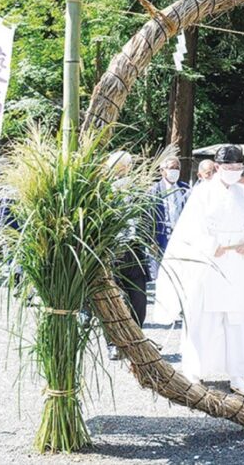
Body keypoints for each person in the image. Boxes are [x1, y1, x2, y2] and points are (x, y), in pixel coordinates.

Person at [154, 144, 244, 397]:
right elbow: (190, 230)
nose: (233, 171)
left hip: (239, 266)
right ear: (217, 167)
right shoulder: (202, 193)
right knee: (202, 320)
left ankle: (238, 374)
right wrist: (211, 245)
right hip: (209, 265)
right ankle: (195, 372)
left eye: (237, 167)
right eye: (228, 167)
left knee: (238, 322)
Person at [105, 151, 150, 361]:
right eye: (123, 165)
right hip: (113, 251)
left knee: (139, 299)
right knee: (114, 301)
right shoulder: (104, 190)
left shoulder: (138, 188)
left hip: (135, 251)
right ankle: (114, 343)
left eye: (128, 165)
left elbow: (148, 218)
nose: (126, 168)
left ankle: (136, 339)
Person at [147, 156, 190, 279]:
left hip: (181, 240)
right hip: (161, 240)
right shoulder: (154, 191)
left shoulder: (184, 189)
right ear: (162, 171)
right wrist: (151, 240)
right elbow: (148, 217)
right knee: (162, 276)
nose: (175, 171)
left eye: (177, 168)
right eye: (171, 168)